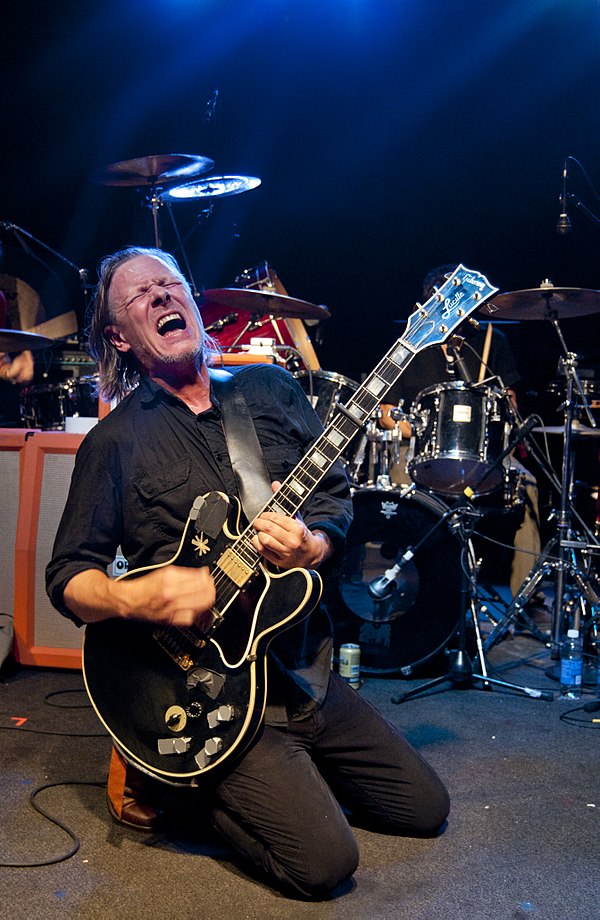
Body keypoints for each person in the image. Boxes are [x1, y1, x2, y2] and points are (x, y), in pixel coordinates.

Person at [45, 246, 449, 900]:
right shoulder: (114, 443)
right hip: (207, 691)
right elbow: (68, 579)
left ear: (192, 300)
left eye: (169, 284)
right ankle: (178, 783)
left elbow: (333, 501)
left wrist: (312, 546)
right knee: (324, 864)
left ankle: (289, 770)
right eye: (140, 294)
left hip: (298, 669)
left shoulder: (268, 388)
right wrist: (139, 595)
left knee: (424, 809)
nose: (161, 297)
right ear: (119, 335)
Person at [379, 265, 541, 603]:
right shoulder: (411, 346)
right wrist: (417, 428)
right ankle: (407, 589)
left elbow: (510, 401)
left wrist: (502, 414)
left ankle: (524, 600)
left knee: (528, 485)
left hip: (483, 449)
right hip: (421, 447)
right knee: (398, 483)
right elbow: (384, 413)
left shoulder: (492, 340)